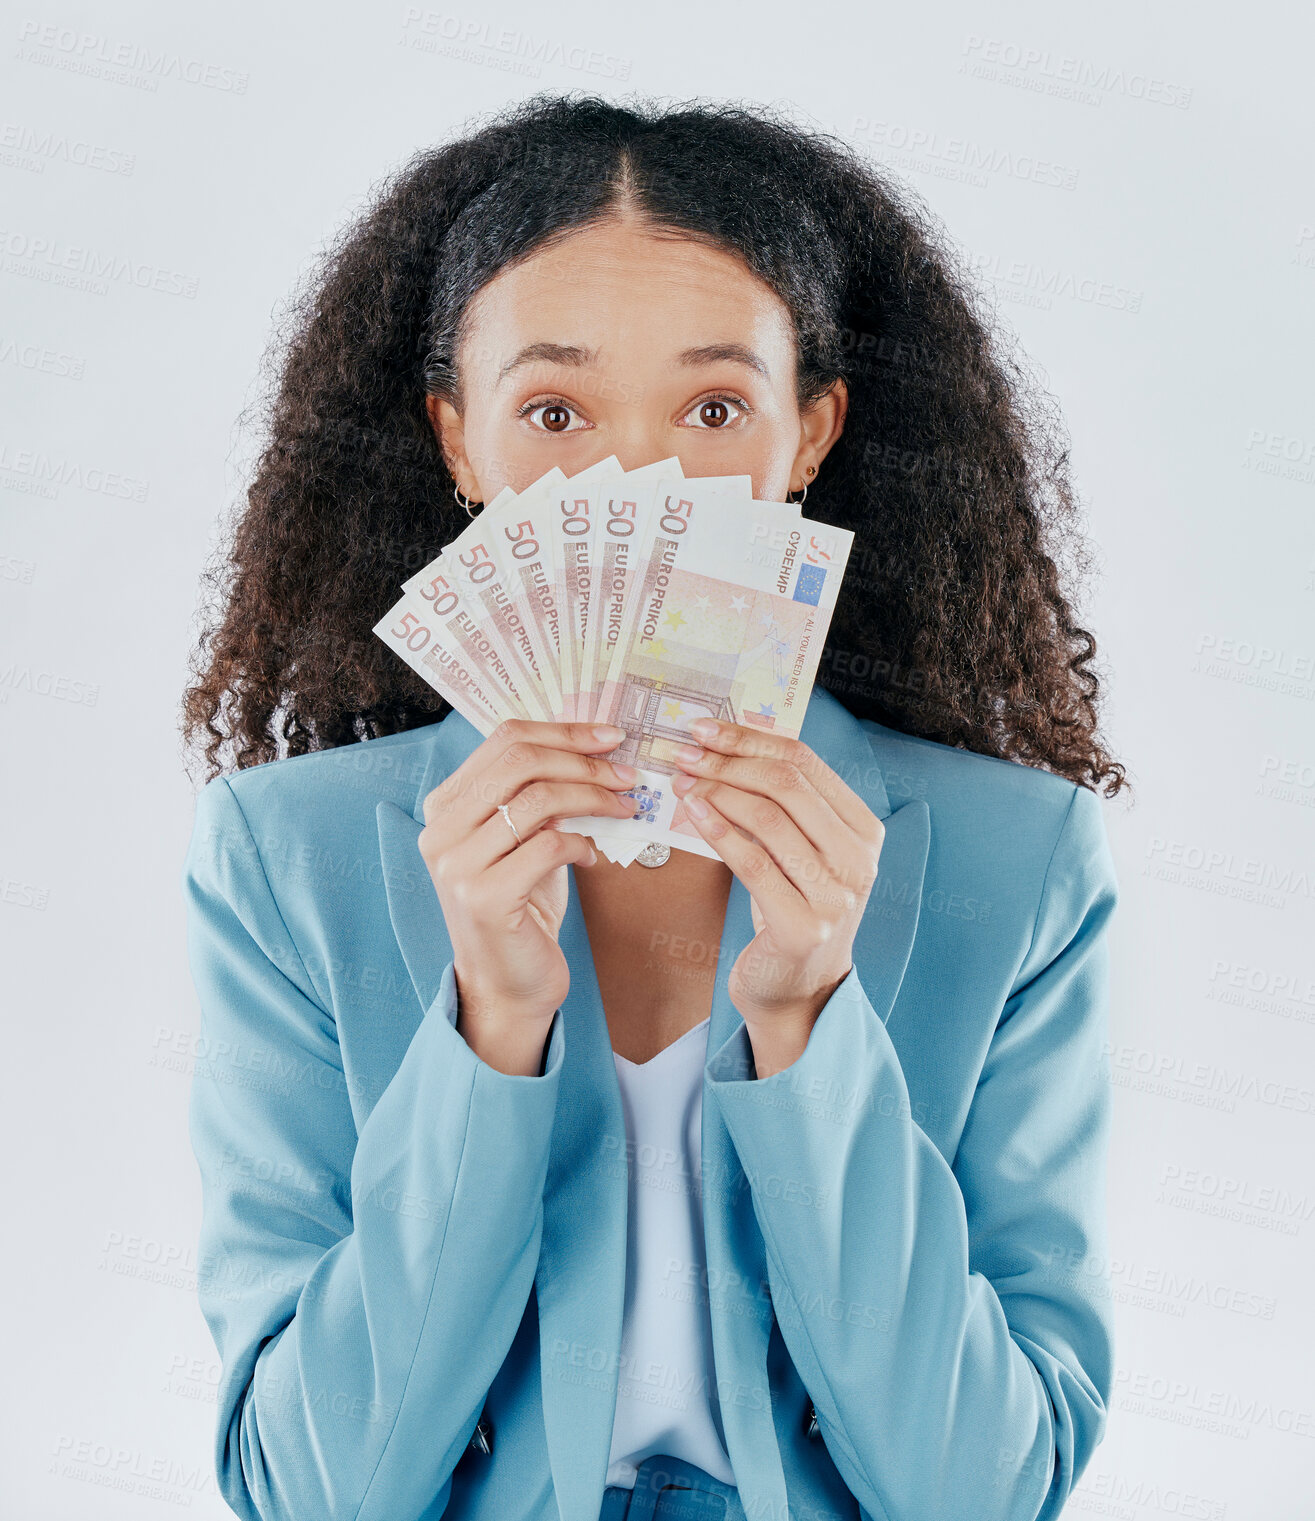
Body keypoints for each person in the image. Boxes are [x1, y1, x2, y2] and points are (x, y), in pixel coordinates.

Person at [180, 93, 1127, 1521]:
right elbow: (314, 1490)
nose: (638, 483)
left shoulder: (1022, 857)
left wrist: (810, 1019)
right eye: (553, 412)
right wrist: (490, 1031)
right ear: (456, 443)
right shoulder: (283, 858)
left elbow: (982, 1490)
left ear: (809, 434)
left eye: (714, 408)